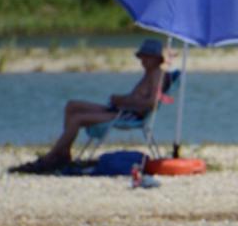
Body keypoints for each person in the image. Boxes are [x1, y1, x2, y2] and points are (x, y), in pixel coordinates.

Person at [10, 38, 166, 174]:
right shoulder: (148, 73)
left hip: (129, 115)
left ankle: (54, 156)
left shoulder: (157, 75)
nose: (143, 60)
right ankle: (64, 151)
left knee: (77, 119)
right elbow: (136, 97)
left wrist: (124, 101)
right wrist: (121, 99)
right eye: (142, 57)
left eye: (147, 57)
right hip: (121, 109)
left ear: (156, 59)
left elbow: (151, 103)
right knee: (72, 105)